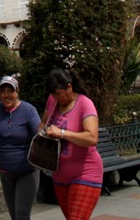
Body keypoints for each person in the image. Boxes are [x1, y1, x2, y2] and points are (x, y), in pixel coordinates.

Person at [39, 67, 102, 220]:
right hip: (59, 175)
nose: (56, 97)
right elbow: (43, 123)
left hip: (85, 173)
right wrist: (43, 131)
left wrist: (62, 133)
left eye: (58, 93)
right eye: (52, 94)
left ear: (69, 87)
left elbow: (92, 137)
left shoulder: (84, 104)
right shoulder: (52, 101)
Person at [0, 75, 40, 220]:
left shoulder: (28, 110)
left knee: (21, 215)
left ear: (17, 91)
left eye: (10, 91)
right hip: (5, 171)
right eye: (3, 91)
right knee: (14, 214)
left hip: (27, 170)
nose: (6, 95)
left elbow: (38, 132)